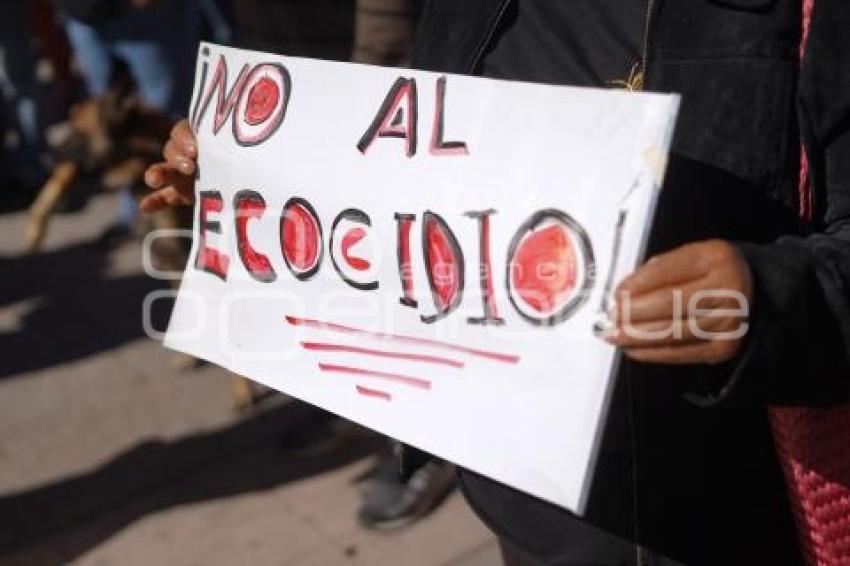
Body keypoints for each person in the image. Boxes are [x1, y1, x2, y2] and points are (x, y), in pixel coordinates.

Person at [143, 0, 850, 563]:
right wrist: (245, 166)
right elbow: (405, 159)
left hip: (714, 513)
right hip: (520, 500)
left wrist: (762, 297)